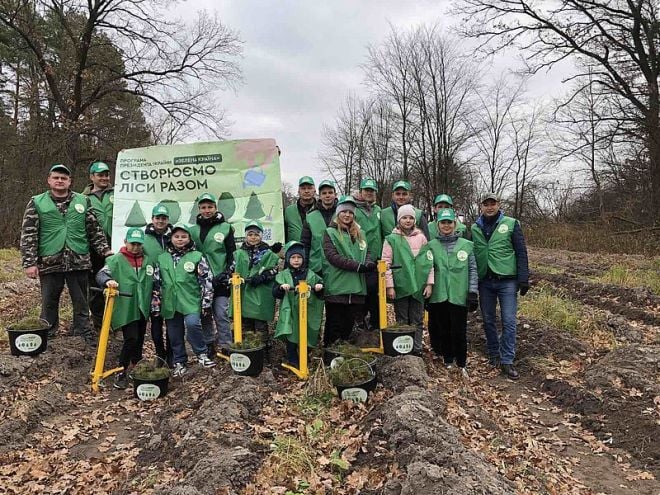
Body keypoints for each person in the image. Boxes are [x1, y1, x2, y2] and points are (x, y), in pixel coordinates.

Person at [20, 163, 111, 344]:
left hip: (78, 259)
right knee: (49, 301)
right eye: (56, 177)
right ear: (49, 180)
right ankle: (48, 333)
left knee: (81, 301)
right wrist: (29, 262)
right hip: (50, 260)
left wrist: (105, 251)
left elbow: (94, 230)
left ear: (70, 181)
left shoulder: (83, 201)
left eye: (64, 178)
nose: (60, 181)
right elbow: (29, 233)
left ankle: (82, 333)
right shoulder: (37, 202)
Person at [471, 193, 529, 380]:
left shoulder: (511, 224)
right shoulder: (474, 227)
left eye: (493, 204)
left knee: (509, 321)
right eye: (486, 204)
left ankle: (507, 360)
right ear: (481, 206)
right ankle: (494, 353)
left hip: (507, 280)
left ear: (498, 205)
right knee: (488, 319)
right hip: (485, 280)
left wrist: (523, 278)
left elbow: (521, 252)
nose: (489, 207)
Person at [419, 208, 478, 377]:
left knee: (459, 330)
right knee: (443, 329)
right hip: (439, 294)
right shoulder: (431, 246)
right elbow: (426, 269)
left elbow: (472, 269)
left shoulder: (466, 245)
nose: (446, 225)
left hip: (459, 294)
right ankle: (448, 359)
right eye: (443, 222)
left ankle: (461, 362)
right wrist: (426, 291)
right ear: (438, 225)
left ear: (455, 224)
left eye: (449, 222)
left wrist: (473, 292)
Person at [151, 224, 216, 377]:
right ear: (171, 239)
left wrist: (206, 301)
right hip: (170, 302)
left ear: (189, 239)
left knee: (193, 324)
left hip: (190, 300)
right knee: (174, 333)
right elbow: (156, 282)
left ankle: (202, 354)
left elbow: (206, 279)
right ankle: (179, 361)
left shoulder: (197, 256)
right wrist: (155, 304)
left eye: (183, 236)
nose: (180, 239)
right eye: (176, 236)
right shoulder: (162, 258)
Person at [96, 228, 155, 389]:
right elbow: (101, 274)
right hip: (126, 306)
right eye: (132, 243)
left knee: (140, 337)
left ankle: (137, 365)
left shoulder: (148, 261)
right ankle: (121, 370)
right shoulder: (115, 260)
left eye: (138, 244)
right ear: (125, 242)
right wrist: (108, 281)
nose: (135, 247)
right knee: (131, 338)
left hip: (143, 305)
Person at [322, 195, 376, 345]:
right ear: (338, 213)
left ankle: (343, 354)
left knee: (348, 324)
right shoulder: (330, 232)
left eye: (351, 212)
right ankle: (330, 354)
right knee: (334, 324)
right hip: (338, 287)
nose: (347, 215)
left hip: (356, 287)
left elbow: (368, 251)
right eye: (344, 212)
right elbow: (332, 256)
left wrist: (369, 263)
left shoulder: (360, 233)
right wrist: (357, 266)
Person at [189, 193, 236, 356]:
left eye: (210, 207)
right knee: (205, 314)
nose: (207, 210)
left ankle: (226, 344)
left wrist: (227, 272)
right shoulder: (192, 230)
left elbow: (232, 253)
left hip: (220, 278)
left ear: (215, 208)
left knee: (221, 313)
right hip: (201, 281)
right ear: (199, 209)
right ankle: (209, 343)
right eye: (203, 207)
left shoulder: (225, 228)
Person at [381, 205, 433, 355]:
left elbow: (429, 262)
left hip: (418, 286)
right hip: (401, 285)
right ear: (399, 220)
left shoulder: (422, 238)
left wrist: (429, 283)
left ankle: (416, 350)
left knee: (417, 319)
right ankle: (403, 350)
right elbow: (386, 264)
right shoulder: (391, 239)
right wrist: (389, 286)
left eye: (411, 217)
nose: (408, 220)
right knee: (402, 319)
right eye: (404, 217)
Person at [273, 242, 324, 366]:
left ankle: (305, 357)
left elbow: (321, 289)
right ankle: (292, 359)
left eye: (299, 257)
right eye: (293, 257)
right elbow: (275, 293)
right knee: (291, 334)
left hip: (307, 310)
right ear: (288, 259)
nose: (296, 260)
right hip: (290, 311)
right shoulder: (283, 275)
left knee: (307, 333)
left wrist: (319, 287)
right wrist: (281, 287)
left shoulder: (310, 274)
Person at [231, 220, 280, 345]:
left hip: (260, 294)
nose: (253, 237)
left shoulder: (268, 254)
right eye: (250, 234)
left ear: (261, 236)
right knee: (246, 324)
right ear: (246, 236)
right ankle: (249, 349)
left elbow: (274, 270)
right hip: (243, 294)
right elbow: (232, 268)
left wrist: (263, 277)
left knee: (260, 325)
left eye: (256, 234)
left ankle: (263, 351)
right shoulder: (239, 253)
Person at [82, 161, 114, 331]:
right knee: (95, 286)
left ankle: (116, 321)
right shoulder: (83, 198)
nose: (104, 178)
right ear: (92, 177)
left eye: (106, 174)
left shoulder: (119, 193)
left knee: (116, 282)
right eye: (100, 174)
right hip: (92, 250)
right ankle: (99, 322)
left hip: (115, 247)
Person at [143, 203, 173, 364]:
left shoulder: (175, 236)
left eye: (163, 218)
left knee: (172, 322)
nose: (160, 221)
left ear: (168, 219)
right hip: (152, 287)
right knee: (155, 322)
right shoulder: (144, 238)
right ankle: (160, 355)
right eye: (157, 218)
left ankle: (171, 355)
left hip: (172, 286)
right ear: (152, 219)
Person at [354, 178, 383, 330]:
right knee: (362, 291)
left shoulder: (379, 210)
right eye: (366, 190)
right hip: (360, 257)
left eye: (372, 191)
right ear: (361, 192)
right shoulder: (354, 210)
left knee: (375, 292)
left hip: (377, 258)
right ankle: (359, 321)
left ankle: (375, 323)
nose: (369, 193)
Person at [301, 179, 337, 275]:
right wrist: (304, 267)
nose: (327, 195)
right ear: (320, 196)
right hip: (316, 266)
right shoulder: (310, 216)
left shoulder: (343, 214)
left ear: (335, 194)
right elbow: (305, 244)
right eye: (324, 193)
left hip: (337, 266)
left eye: (330, 192)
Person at [284, 176, 316, 242]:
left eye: (309, 188)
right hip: (294, 251)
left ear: (314, 191)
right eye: (303, 188)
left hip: (315, 251)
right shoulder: (288, 211)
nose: (306, 191)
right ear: (298, 191)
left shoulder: (320, 210)